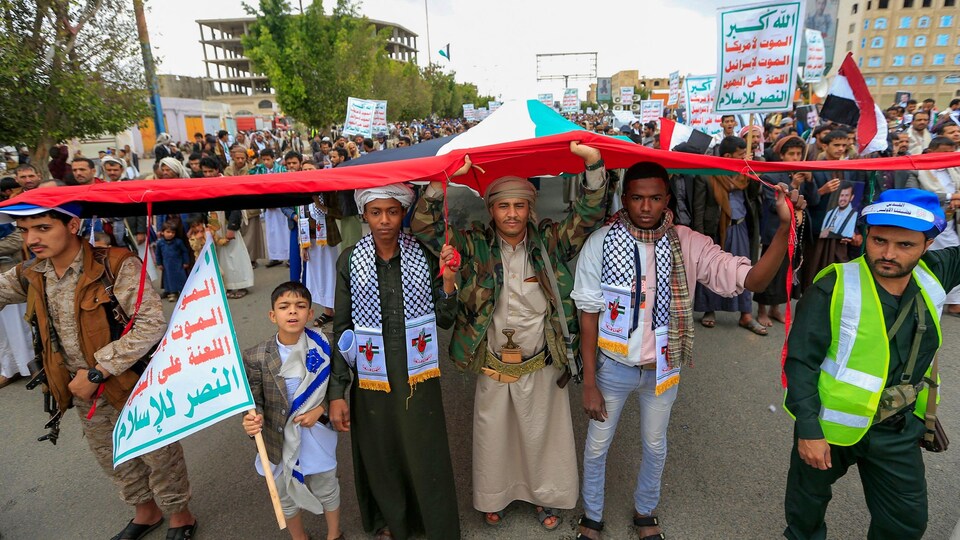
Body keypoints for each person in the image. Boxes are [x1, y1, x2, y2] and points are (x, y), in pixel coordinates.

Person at [571, 159, 803, 540]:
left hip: (663, 367)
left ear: (667, 200)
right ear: (624, 199)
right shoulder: (600, 244)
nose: (646, 207)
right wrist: (589, 382)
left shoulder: (688, 243)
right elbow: (588, 317)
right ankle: (592, 517)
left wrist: (783, 228)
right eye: (637, 198)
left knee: (655, 444)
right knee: (597, 448)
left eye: (655, 198)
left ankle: (646, 513)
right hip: (612, 368)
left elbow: (754, 280)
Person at [412, 142, 608, 530]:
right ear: (492, 209)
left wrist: (594, 166)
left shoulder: (550, 240)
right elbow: (425, 227)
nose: (512, 214)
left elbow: (586, 217)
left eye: (520, 205)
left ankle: (545, 497)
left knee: (541, 433)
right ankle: (494, 497)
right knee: (494, 434)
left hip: (542, 359)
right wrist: (443, 177)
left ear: (530, 209)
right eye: (504, 206)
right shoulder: (472, 245)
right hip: (493, 361)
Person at [0, 203, 197, 539]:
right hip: (81, 390)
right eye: (25, 229)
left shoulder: (116, 264)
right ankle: (145, 513)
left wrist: (96, 372)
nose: (32, 238)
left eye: (43, 228)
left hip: (131, 379)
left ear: (73, 225)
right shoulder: (32, 274)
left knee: (158, 451)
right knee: (113, 454)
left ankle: (180, 516)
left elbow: (149, 324)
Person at [783, 188, 960, 540]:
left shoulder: (935, 273)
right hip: (829, 427)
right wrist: (809, 430)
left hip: (896, 428)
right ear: (866, 234)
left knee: (905, 524)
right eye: (879, 240)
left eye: (905, 245)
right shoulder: (833, 285)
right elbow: (801, 362)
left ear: (927, 245)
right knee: (806, 512)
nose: (888, 254)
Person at [328, 184, 461, 540]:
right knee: (380, 450)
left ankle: (433, 524)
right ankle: (392, 522)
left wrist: (448, 282)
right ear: (364, 216)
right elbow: (343, 329)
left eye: (392, 211)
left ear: (403, 213)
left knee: (423, 447)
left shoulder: (425, 255)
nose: (384, 220)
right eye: (376, 212)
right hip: (371, 374)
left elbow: (445, 319)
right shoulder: (349, 260)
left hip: (418, 370)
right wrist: (338, 391)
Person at [242, 282, 344, 540]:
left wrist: (321, 407)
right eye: (284, 306)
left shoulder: (325, 343)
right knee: (283, 493)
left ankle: (334, 534)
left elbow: (340, 381)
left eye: (300, 306)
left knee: (326, 483)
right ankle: (299, 537)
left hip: (316, 430)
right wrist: (251, 420)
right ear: (272, 315)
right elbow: (254, 400)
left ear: (310, 314)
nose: (292, 312)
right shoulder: (256, 356)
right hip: (278, 437)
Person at [692, 136, 765, 335]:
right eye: (741, 155)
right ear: (727, 156)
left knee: (743, 270)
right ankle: (709, 309)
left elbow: (754, 194)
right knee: (711, 270)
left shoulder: (745, 173)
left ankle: (746, 314)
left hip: (739, 228)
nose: (744, 157)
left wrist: (753, 169)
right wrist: (699, 237)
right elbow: (699, 208)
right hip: (715, 230)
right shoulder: (708, 175)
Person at [756, 136, 820, 327]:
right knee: (770, 271)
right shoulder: (772, 177)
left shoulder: (804, 174)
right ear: (782, 156)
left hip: (796, 232)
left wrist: (809, 182)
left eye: (798, 154)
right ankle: (761, 310)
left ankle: (776, 308)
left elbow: (814, 201)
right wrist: (792, 187)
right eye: (791, 154)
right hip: (776, 231)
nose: (795, 157)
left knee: (787, 271)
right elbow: (772, 204)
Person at [0, 223, 32, 388]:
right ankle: (8, 369)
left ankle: (31, 366)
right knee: (2, 333)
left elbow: (16, 240)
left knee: (19, 326)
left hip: (9, 278)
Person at [251, 149, 289, 268]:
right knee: (271, 232)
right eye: (264, 159)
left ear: (273, 158)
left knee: (284, 231)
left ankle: (288, 257)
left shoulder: (282, 169)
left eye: (268, 159)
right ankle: (275, 257)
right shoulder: (259, 170)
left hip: (281, 206)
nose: (266, 162)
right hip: (268, 206)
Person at [154, 220, 190, 302]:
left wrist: (186, 262)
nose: (170, 234)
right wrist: (159, 263)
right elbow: (158, 254)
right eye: (168, 232)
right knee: (169, 279)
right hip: (167, 265)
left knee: (181, 278)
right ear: (163, 232)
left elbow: (184, 251)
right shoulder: (160, 243)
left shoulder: (178, 242)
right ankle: (172, 293)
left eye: (173, 232)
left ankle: (183, 292)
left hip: (178, 264)